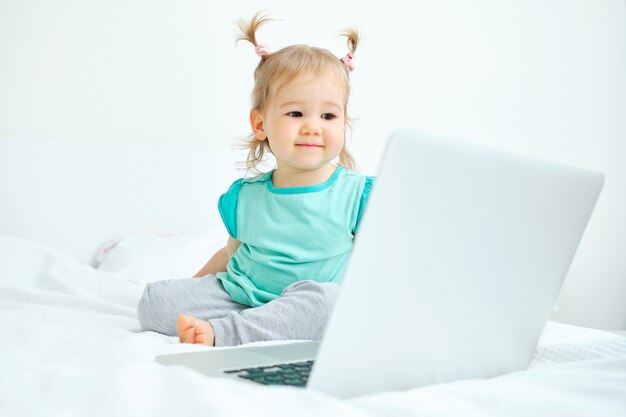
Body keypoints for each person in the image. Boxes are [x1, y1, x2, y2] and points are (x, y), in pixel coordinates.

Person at [137, 11, 374, 347]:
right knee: (154, 303)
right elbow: (228, 257)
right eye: (295, 113)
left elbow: (378, 265)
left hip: (307, 307)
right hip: (244, 296)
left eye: (328, 115)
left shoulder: (358, 196)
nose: (312, 126)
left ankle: (227, 333)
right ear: (260, 124)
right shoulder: (244, 197)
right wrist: (191, 289)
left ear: (343, 122)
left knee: (330, 303)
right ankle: (244, 323)